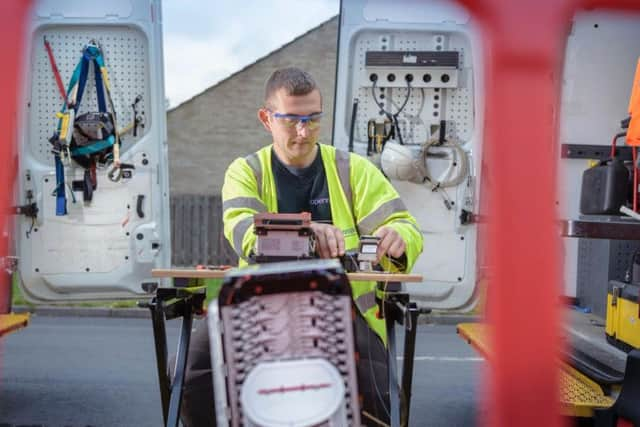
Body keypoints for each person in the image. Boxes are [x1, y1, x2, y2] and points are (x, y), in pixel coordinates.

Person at [175, 67, 423, 426]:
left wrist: (399, 239)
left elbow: (405, 226)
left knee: (372, 387)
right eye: (292, 120)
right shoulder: (245, 171)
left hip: (344, 309)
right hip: (256, 310)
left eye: (313, 119)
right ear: (266, 118)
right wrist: (307, 234)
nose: (304, 132)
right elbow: (244, 233)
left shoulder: (354, 170)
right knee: (193, 374)